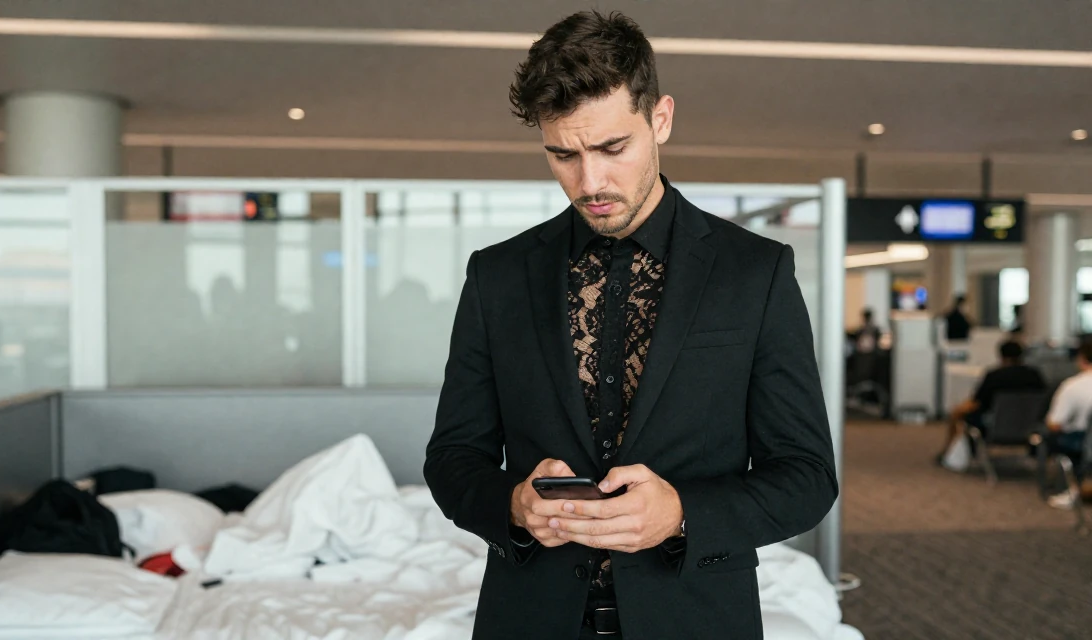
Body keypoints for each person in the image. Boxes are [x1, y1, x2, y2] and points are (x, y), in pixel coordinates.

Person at [423, 11, 837, 639]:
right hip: (528, 618)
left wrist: (681, 514)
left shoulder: (757, 272)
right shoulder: (496, 276)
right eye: (562, 154)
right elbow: (452, 458)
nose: (589, 182)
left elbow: (807, 477)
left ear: (661, 118)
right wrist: (512, 503)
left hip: (697, 618)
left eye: (612, 148)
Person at [937, 340, 1046, 462]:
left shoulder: (995, 376)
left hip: (993, 426)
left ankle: (948, 453)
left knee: (959, 414)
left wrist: (957, 411)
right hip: (1028, 427)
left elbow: (975, 403)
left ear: (1001, 356)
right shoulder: (1035, 376)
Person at [1041, 341, 1092, 509]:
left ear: (1081, 359)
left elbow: (1054, 424)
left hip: (1081, 442)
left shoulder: (1072, 386)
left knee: (1048, 436)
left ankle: (1072, 486)